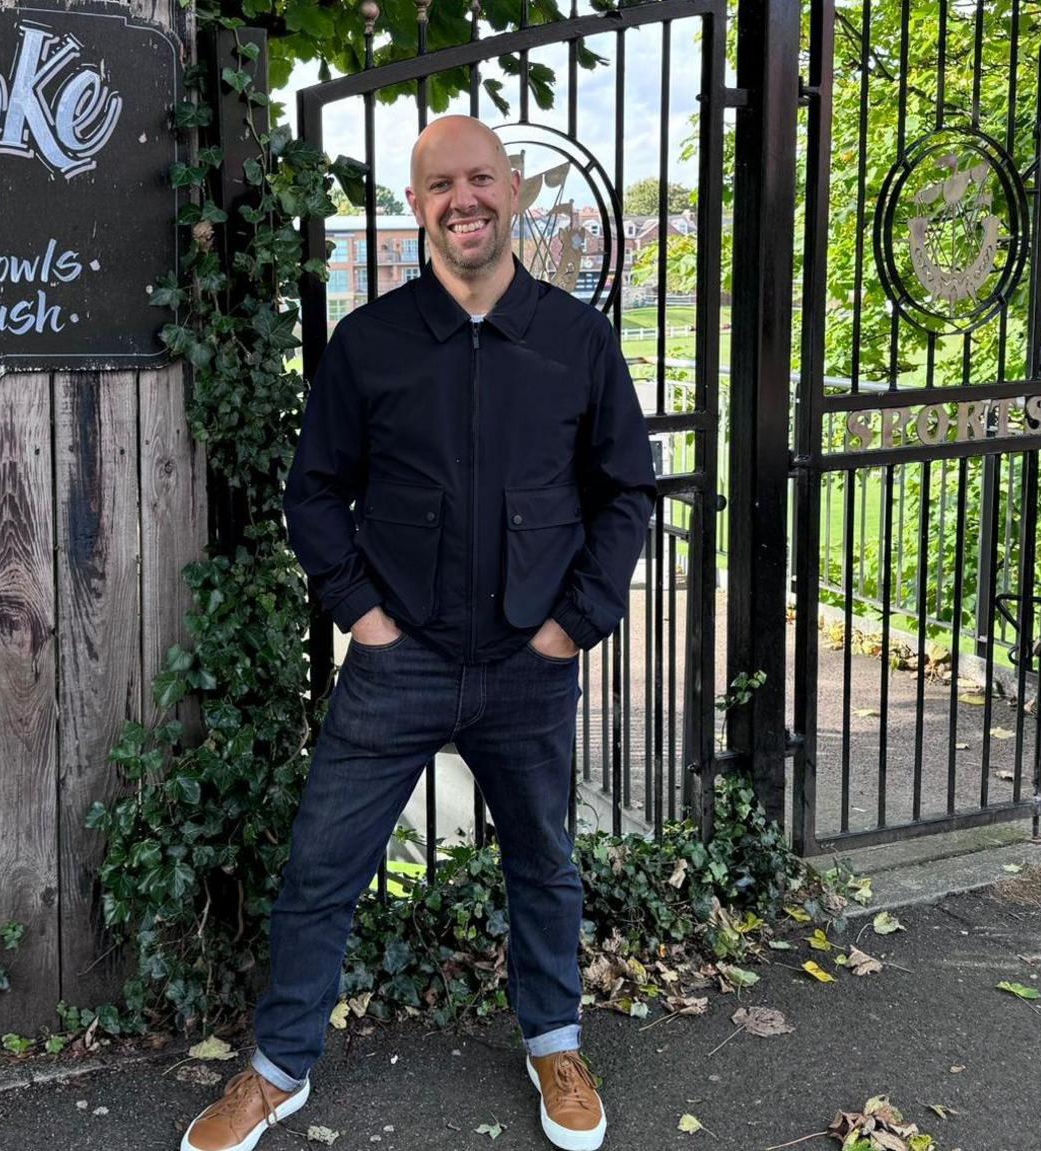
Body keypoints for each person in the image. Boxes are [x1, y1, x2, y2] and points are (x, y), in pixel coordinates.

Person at [180, 114, 657, 1151]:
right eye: (439, 185)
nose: (463, 199)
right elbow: (313, 494)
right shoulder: (371, 343)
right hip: (402, 663)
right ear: (416, 207)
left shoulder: (573, 341)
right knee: (319, 867)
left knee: (541, 860)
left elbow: (624, 491)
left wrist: (576, 622)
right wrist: (363, 614)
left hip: (530, 661)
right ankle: (277, 1068)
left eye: (479, 178)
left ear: (514, 190)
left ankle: (554, 1039)